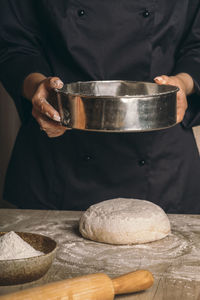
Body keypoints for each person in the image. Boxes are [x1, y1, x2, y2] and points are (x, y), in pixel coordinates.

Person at [0, 0, 200, 213]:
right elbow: (13, 44)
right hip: (57, 160)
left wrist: (183, 83)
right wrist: (38, 87)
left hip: (160, 166)